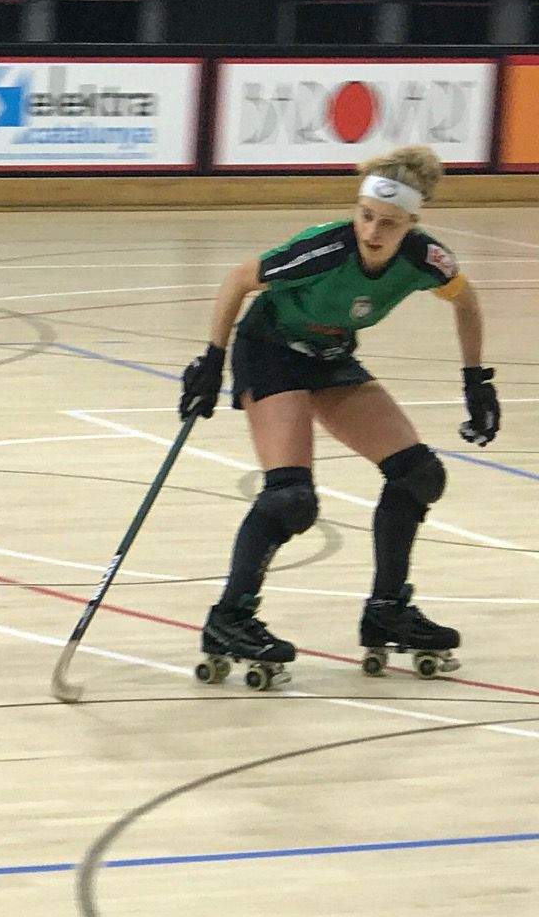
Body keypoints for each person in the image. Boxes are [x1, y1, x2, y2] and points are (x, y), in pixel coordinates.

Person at [178, 145, 501, 687]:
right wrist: (211, 360)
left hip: (329, 357)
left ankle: (387, 609)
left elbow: (467, 301)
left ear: (411, 226)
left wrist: (476, 380)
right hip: (270, 350)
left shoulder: (426, 260)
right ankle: (229, 618)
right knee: (292, 499)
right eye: (366, 215)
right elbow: (238, 279)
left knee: (419, 474)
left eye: (389, 224)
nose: (373, 232)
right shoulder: (325, 249)